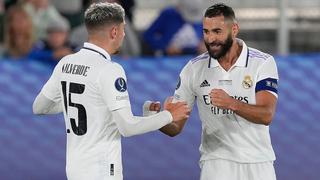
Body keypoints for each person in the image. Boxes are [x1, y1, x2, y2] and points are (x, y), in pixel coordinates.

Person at [32, 2, 190, 180]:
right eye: (123, 29)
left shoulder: (66, 62)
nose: (123, 35)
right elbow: (127, 127)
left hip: (75, 167)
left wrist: (88, 100)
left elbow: (39, 107)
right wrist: (169, 115)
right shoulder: (109, 70)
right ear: (114, 32)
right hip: (101, 169)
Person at [145, 3, 279, 180]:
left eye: (217, 32)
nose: (210, 39)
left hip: (259, 162)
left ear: (234, 29)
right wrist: (158, 119)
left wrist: (231, 103)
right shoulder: (193, 69)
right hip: (216, 162)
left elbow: (266, 115)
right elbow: (175, 128)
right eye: (206, 32)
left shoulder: (262, 63)